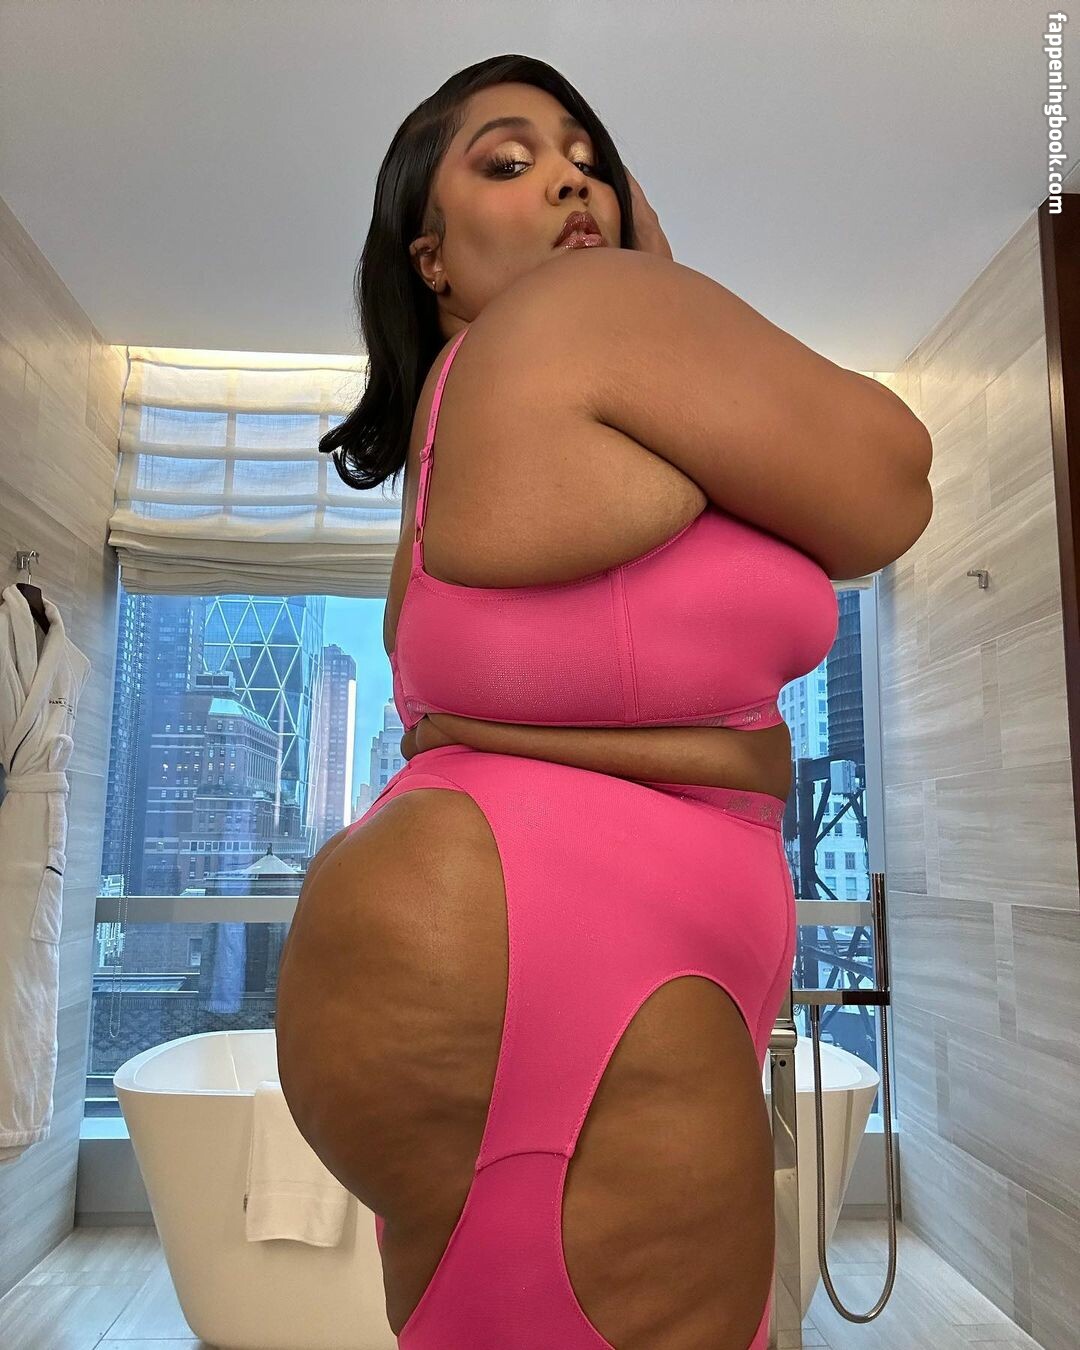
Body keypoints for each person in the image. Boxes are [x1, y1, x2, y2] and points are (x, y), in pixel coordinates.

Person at [275, 54, 933, 1350]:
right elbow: (892, 480)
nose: (573, 179)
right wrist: (658, 279)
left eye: (588, 160)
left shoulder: (453, 417)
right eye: (510, 162)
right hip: (583, 946)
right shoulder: (590, 315)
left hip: (501, 926)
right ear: (430, 257)